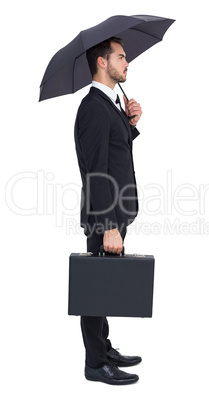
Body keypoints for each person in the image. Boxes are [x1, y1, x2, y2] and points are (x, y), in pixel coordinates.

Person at [74, 37, 143, 385]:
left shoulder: (109, 105)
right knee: (94, 287)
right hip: (106, 215)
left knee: (101, 285)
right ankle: (95, 363)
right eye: (121, 56)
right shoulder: (93, 108)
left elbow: (115, 152)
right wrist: (108, 226)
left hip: (116, 212)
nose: (127, 62)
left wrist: (130, 123)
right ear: (103, 63)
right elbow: (97, 171)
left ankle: (103, 347)